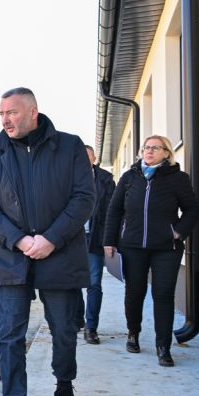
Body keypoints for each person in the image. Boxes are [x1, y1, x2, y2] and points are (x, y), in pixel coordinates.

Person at [0, 87, 95, 396]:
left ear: (33, 112)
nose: (5, 120)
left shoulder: (69, 146)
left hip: (60, 253)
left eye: (12, 112)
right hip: (12, 256)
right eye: (1, 114)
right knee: (9, 333)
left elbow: (84, 198)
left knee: (63, 327)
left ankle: (64, 381)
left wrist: (50, 239)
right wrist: (20, 239)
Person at [103, 135, 199, 367]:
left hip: (167, 248)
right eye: (146, 147)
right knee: (134, 292)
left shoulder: (178, 178)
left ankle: (163, 347)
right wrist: (109, 241)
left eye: (155, 147)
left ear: (166, 152)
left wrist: (177, 232)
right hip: (133, 246)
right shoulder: (130, 177)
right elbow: (114, 210)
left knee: (163, 295)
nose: (149, 151)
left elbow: (192, 209)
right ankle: (133, 333)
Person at [79, 145, 116, 344]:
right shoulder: (66, 177)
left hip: (94, 238)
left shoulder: (105, 179)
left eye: (88, 157)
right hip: (71, 239)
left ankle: (91, 327)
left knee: (94, 283)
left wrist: (109, 239)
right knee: (71, 282)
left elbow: (113, 211)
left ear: (94, 159)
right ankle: (76, 319)